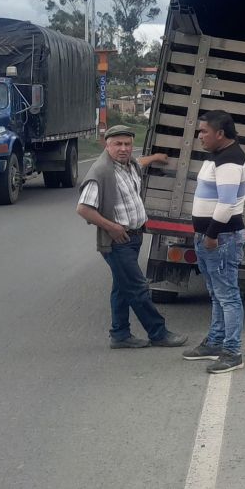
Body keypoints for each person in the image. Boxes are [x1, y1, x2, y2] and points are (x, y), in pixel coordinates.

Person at [76, 124, 188, 350]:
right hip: (118, 241)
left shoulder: (129, 165)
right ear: (107, 146)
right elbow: (83, 208)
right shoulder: (101, 172)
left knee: (122, 287)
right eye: (118, 144)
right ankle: (158, 333)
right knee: (138, 289)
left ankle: (120, 335)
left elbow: (140, 161)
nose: (124, 148)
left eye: (127, 144)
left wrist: (156, 157)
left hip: (133, 237)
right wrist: (112, 227)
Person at [182, 110, 245, 374]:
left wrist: (211, 235)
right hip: (212, 237)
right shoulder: (218, 156)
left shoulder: (230, 161)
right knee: (216, 293)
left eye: (204, 131)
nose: (200, 136)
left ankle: (232, 352)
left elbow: (226, 204)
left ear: (220, 133)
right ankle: (215, 342)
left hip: (222, 237)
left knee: (228, 296)